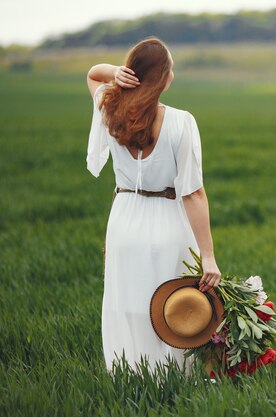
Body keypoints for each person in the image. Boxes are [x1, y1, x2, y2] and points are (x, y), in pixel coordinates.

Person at [86, 38, 221, 371]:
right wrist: (208, 257)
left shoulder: (108, 106)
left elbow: (93, 75)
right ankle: (173, 378)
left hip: (124, 220)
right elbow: (193, 193)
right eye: (170, 67)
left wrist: (113, 72)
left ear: (131, 73)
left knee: (128, 304)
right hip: (169, 222)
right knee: (173, 306)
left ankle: (129, 374)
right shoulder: (181, 122)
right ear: (163, 78)